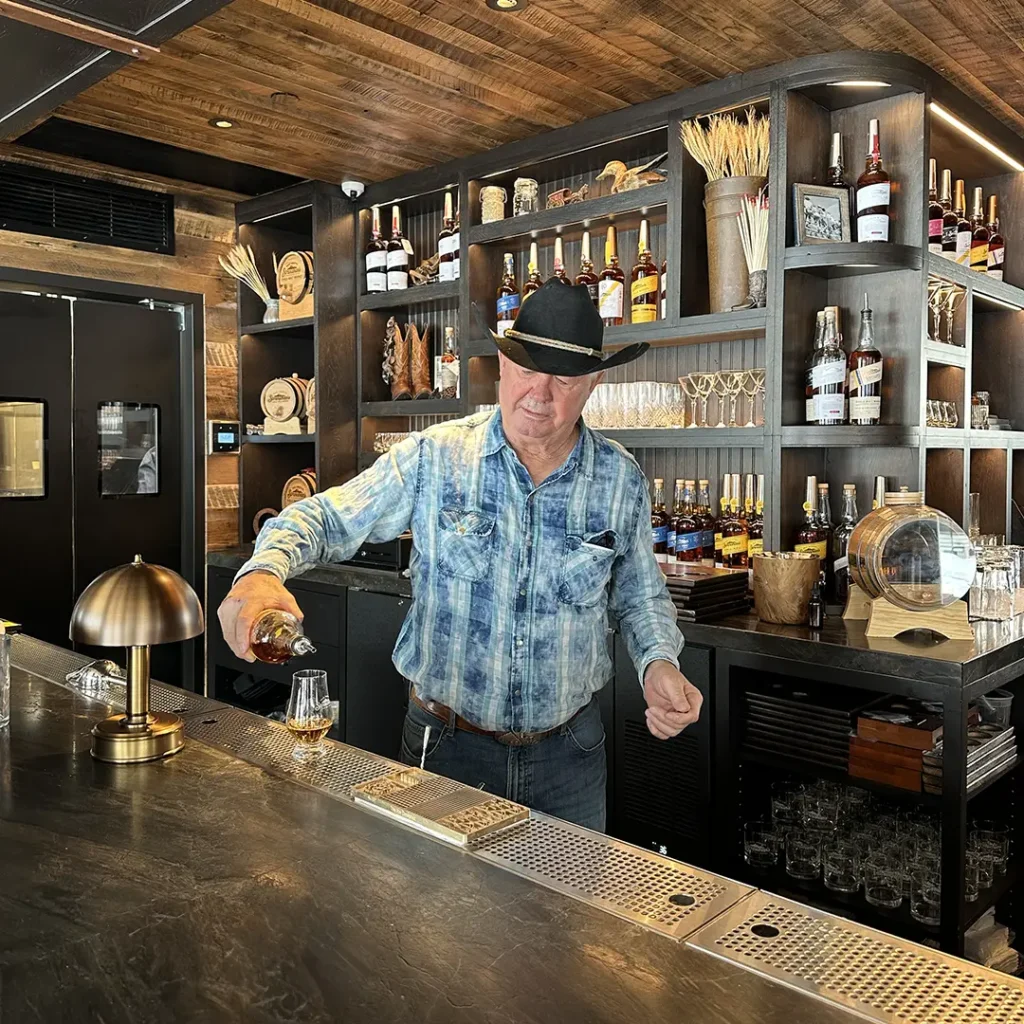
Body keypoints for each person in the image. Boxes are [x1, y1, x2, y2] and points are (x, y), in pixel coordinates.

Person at [218, 280, 701, 831]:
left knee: (564, 919)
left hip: (570, 755)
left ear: (593, 383)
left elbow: (641, 596)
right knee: (435, 915)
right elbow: (325, 517)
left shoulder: (620, 481)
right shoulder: (436, 456)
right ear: (501, 364)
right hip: (446, 749)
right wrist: (261, 571)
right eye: (525, 370)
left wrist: (659, 662)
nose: (538, 394)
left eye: (563, 378)